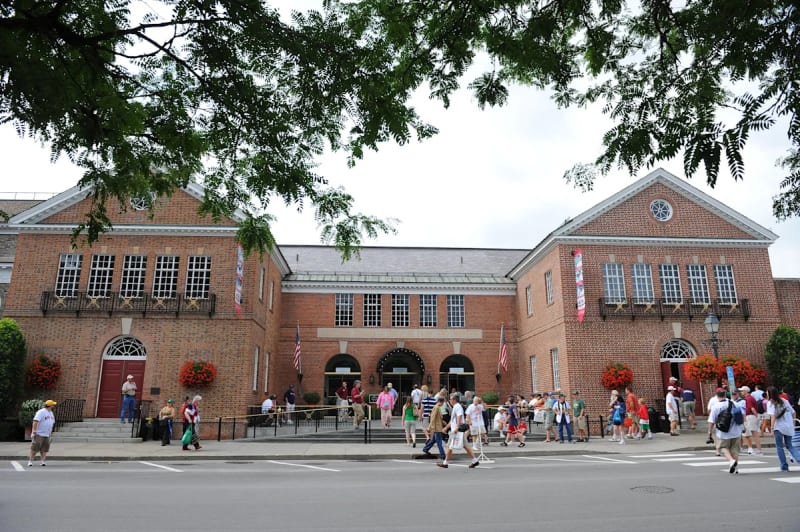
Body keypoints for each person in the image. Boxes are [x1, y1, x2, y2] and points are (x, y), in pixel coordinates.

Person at [708, 389, 745, 474]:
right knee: (735, 450)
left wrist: (709, 432)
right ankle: (736, 468)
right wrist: (743, 426)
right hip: (736, 431)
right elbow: (741, 416)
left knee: (722, 447)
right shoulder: (734, 403)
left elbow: (711, 421)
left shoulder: (716, 406)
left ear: (717, 396)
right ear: (725, 394)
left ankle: (731, 461)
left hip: (723, 432)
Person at [440, 393, 480, 468]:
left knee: (449, 446)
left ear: (454, 400)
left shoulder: (457, 407)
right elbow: (452, 420)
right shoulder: (456, 407)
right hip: (456, 430)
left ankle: (445, 463)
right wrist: (446, 428)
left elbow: (459, 416)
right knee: (465, 446)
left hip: (456, 430)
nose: (450, 401)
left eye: (451, 399)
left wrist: (457, 427)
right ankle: (475, 460)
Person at [766, 386, 800, 472]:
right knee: (790, 446)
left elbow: (773, 416)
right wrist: (793, 423)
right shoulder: (785, 401)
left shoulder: (770, 403)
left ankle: (784, 466)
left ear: (770, 394)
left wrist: (772, 428)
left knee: (779, 447)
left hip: (778, 427)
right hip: (788, 426)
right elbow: (793, 412)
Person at [417, 395, 447, 463]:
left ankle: (425, 449)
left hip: (437, 426)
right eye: (443, 403)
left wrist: (443, 422)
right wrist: (430, 427)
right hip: (437, 428)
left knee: (433, 440)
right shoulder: (436, 407)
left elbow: (436, 417)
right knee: (439, 442)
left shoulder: (437, 407)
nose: (443, 404)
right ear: (441, 402)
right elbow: (433, 418)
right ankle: (443, 456)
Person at [28, 399, 56, 466]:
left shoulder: (51, 413)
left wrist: (50, 432)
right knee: (34, 448)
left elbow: (52, 422)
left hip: (47, 434)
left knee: (45, 449)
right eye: (53, 405)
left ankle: (43, 461)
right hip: (39, 433)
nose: (54, 406)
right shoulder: (41, 412)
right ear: (50, 406)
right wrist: (34, 431)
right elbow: (35, 421)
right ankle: (30, 461)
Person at [741, 385, 763, 455]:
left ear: (745, 391)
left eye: (742, 391)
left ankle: (758, 450)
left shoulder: (748, 398)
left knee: (753, 433)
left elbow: (752, 408)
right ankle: (758, 449)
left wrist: (757, 416)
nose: (741, 392)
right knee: (754, 433)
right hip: (751, 416)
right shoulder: (750, 397)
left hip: (750, 416)